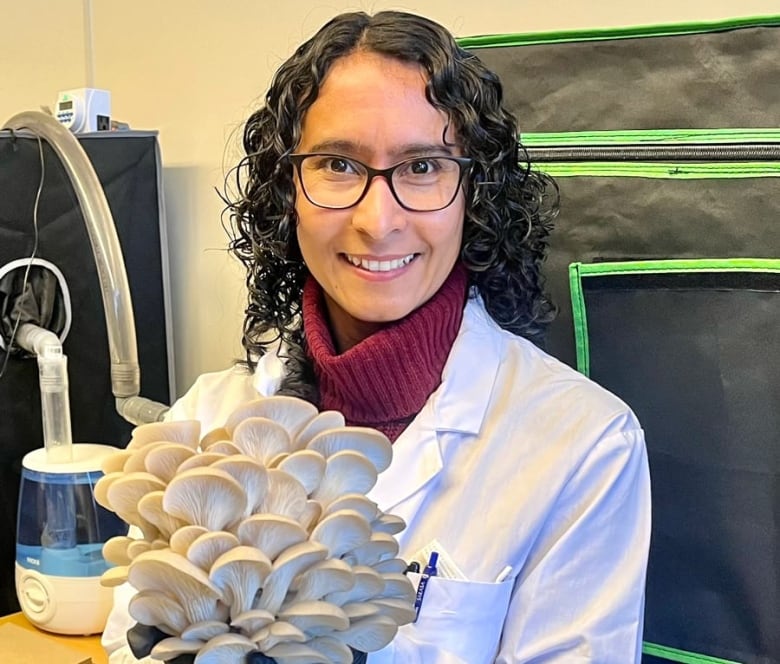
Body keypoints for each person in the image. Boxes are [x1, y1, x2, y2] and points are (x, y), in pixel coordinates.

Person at [103, 10, 650, 664]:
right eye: (338, 164)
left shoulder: (586, 446)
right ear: (288, 192)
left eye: (422, 167)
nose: (377, 220)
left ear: (472, 194)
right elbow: (126, 635)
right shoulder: (204, 421)